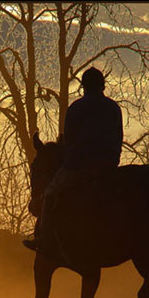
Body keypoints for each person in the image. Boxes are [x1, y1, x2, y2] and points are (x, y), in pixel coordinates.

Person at [24, 67, 123, 254]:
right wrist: (111, 162)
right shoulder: (113, 108)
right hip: (108, 166)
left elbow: (68, 142)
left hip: (80, 167)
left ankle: (43, 238)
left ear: (83, 87)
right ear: (102, 85)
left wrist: (71, 162)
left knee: (51, 193)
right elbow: (118, 139)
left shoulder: (76, 108)